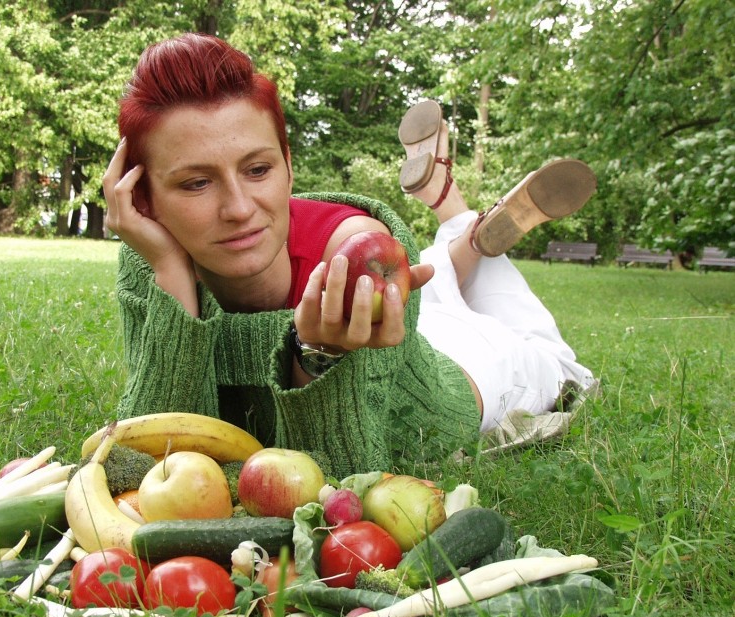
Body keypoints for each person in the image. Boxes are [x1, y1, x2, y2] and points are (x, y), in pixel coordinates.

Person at [102, 33, 596, 477]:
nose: (238, 209)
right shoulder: (152, 252)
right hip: (418, 318)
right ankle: (452, 209)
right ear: (142, 198)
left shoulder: (351, 251)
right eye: (196, 183)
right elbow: (148, 464)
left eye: (257, 170)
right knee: (434, 278)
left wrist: (318, 357)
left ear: (289, 167)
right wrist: (171, 272)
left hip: (479, 369)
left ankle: (460, 218)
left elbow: (337, 481)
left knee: (558, 357)